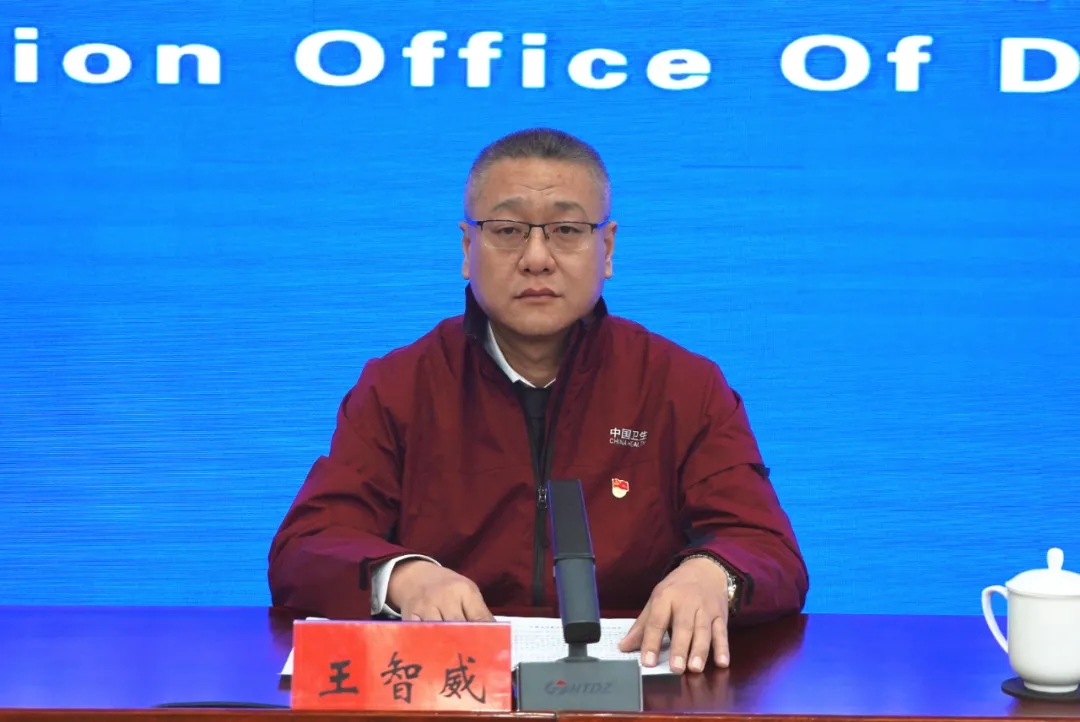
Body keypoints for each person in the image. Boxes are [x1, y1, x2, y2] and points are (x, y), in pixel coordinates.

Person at [268, 127, 808, 675]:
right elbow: (306, 548)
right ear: (467, 249)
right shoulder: (400, 385)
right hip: (451, 689)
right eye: (507, 231)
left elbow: (767, 549)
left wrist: (714, 573)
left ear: (607, 249)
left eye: (567, 230)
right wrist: (404, 577)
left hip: (637, 691)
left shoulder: (681, 385)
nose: (536, 258)